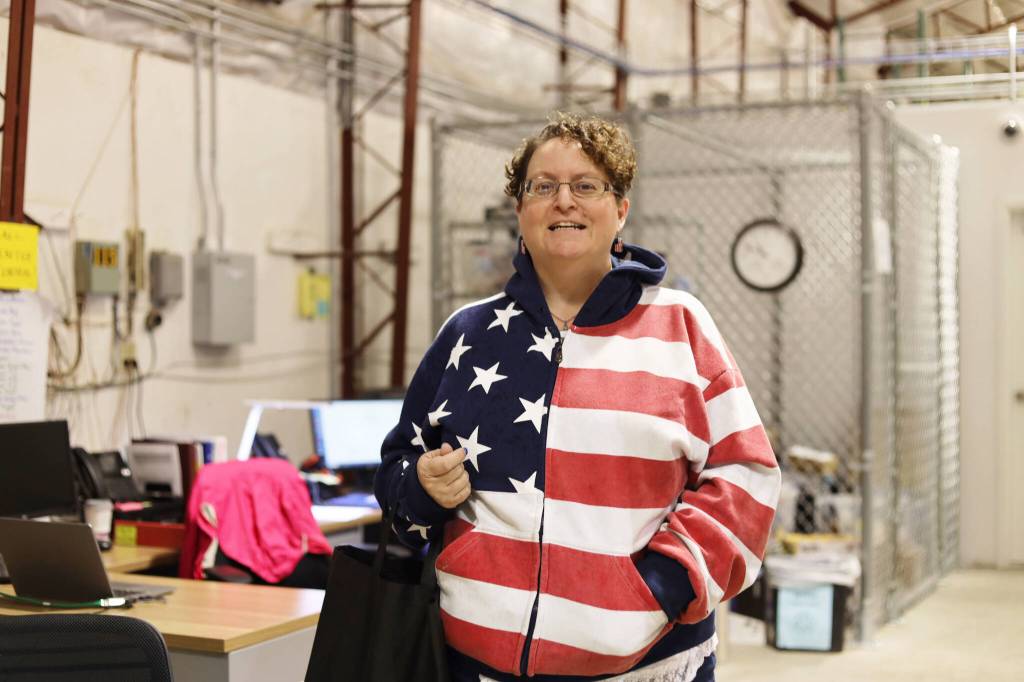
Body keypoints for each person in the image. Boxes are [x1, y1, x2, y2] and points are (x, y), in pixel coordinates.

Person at [375, 112, 780, 682]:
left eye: (586, 185)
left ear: (620, 210)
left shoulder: (681, 327)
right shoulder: (465, 334)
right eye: (544, 187)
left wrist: (662, 586)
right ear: (520, 212)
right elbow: (394, 471)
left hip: (647, 667)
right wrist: (419, 487)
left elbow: (747, 477)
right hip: (477, 668)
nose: (564, 201)